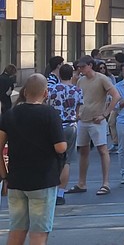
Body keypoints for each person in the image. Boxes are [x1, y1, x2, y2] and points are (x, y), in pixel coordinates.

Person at [0, 74, 67, 245]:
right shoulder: (49, 113)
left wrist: (5, 175)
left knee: (16, 229)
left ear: (25, 91)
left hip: (16, 180)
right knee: (38, 232)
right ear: (45, 93)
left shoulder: (10, 114)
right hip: (43, 180)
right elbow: (60, 147)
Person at [67, 55, 120, 196]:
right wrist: (77, 113)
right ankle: (81, 182)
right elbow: (78, 98)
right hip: (83, 120)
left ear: (90, 65)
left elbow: (116, 95)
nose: (80, 69)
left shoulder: (102, 78)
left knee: (102, 150)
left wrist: (105, 114)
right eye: (79, 67)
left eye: (83, 67)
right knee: (83, 151)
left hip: (97, 120)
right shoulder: (80, 80)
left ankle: (105, 183)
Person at [47, 64, 83, 205]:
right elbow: (78, 110)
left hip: (55, 126)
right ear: (71, 75)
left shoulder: (52, 89)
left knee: (53, 159)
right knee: (67, 160)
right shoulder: (77, 90)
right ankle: (61, 193)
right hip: (71, 125)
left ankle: (51, 190)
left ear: (59, 75)